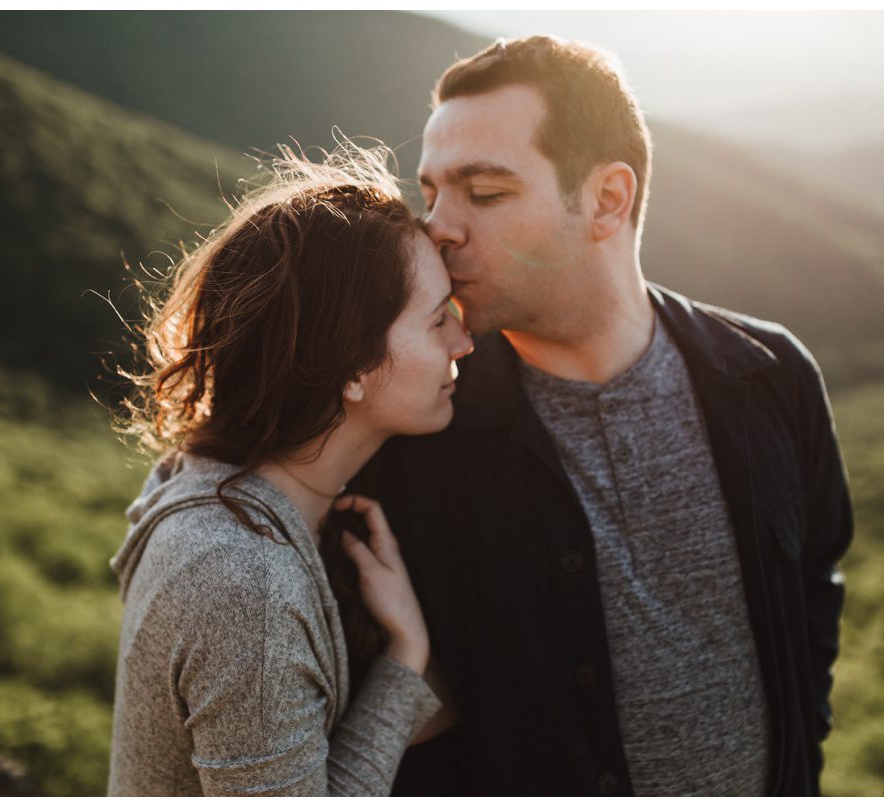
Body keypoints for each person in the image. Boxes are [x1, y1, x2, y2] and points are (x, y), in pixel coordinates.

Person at [348, 36, 854, 796]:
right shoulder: (420, 422)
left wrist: (801, 752)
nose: (437, 227)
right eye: (432, 192)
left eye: (483, 192)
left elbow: (815, 582)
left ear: (607, 200)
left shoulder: (771, 377)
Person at [106, 144, 474, 796]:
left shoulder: (188, 477)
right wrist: (406, 662)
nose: (463, 343)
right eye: (438, 319)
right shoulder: (246, 586)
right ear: (352, 370)